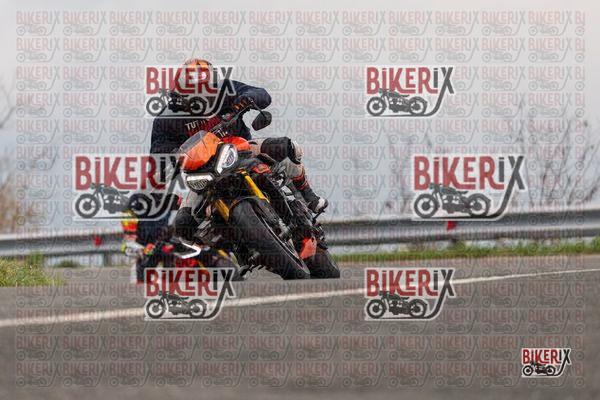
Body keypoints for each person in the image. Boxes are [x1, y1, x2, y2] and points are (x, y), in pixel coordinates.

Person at [150, 58, 328, 241]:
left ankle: (309, 196)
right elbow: (158, 155)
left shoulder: (226, 90)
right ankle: (225, 245)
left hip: (241, 148)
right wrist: (171, 159)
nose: (201, 95)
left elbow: (261, 94)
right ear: (180, 91)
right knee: (183, 225)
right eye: (194, 90)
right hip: (204, 172)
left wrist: (246, 100)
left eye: (206, 89)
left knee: (288, 148)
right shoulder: (167, 119)